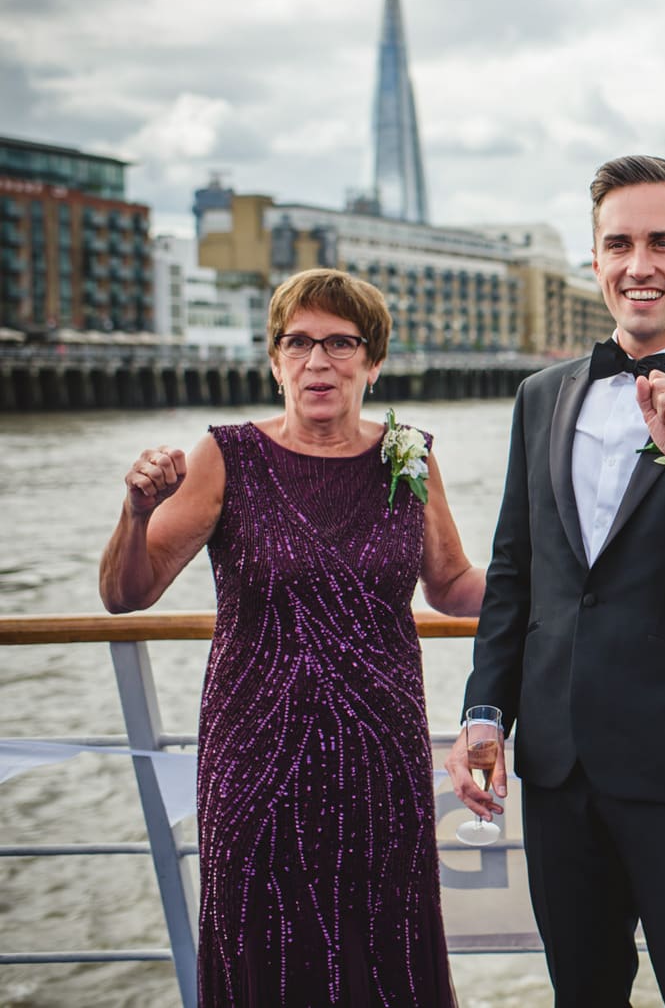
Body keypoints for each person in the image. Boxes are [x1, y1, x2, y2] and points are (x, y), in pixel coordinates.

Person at [447, 155, 665, 1007]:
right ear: (596, 259)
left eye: (661, 242)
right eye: (618, 244)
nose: (638, 264)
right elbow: (514, 571)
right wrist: (485, 712)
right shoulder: (541, 397)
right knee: (583, 991)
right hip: (559, 765)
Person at [98, 267, 484, 1006]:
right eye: (298, 342)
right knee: (267, 962)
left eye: (341, 343)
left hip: (382, 765)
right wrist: (137, 511)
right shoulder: (227, 455)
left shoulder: (409, 453)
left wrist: (558, 587)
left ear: (373, 361)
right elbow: (126, 594)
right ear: (273, 359)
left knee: (389, 954)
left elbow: (452, 582)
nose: (318, 362)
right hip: (257, 767)